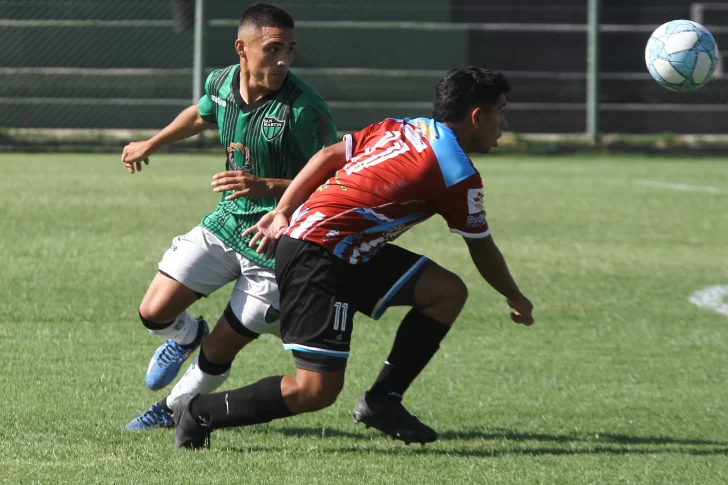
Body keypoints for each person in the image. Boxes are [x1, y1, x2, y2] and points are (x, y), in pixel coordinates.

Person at [170, 66, 536, 449]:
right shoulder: (457, 173)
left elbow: (328, 156)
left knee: (445, 291)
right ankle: (199, 412)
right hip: (318, 255)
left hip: (345, 250)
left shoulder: (402, 127)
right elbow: (482, 247)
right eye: (501, 111)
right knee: (315, 391)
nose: (503, 122)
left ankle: (383, 400)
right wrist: (515, 296)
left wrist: (285, 209)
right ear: (477, 116)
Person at [121, 3, 337, 430]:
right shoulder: (220, 82)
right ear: (242, 47)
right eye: (273, 49)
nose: (283, 60)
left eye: (290, 50)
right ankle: (186, 335)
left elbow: (332, 182)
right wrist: (153, 142)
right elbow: (202, 114)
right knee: (153, 312)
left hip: (276, 240)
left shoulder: (304, 110)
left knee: (220, 350)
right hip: (226, 223)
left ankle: (173, 409)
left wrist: (268, 188)